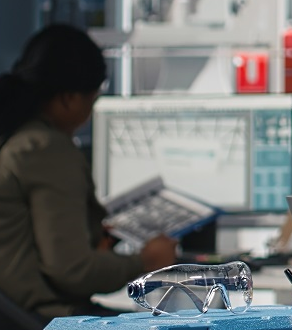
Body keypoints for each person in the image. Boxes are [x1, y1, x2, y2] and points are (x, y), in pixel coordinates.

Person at [0, 25, 177, 320]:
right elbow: (72, 270)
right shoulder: (46, 149)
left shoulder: (16, 138)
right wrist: (146, 260)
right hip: (47, 318)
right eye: (91, 101)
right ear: (69, 98)